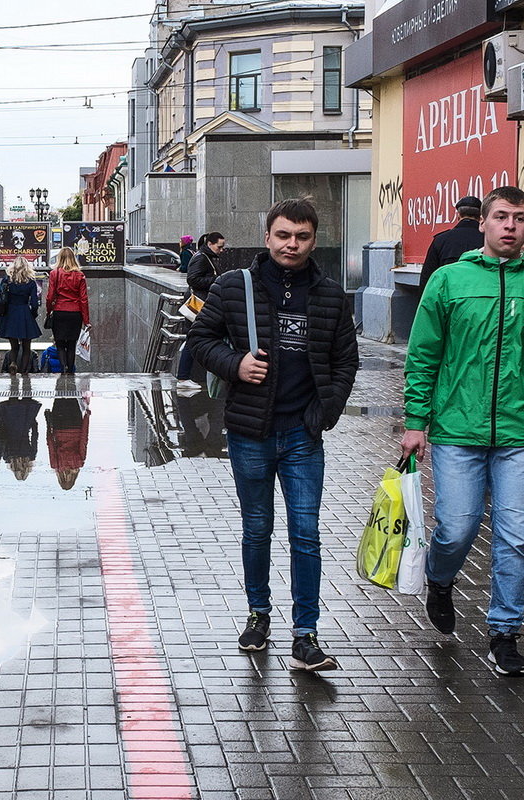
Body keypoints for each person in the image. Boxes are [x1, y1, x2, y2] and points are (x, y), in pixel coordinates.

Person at [401, 186, 524, 676]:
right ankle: (440, 579)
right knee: (458, 526)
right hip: (456, 428)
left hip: (521, 429)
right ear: (483, 223)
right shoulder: (448, 280)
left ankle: (505, 633)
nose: (511, 225)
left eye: (521, 218)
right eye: (503, 217)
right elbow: (423, 356)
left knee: (514, 536)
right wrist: (415, 422)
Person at [188, 197, 359, 672]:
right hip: (250, 431)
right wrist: (236, 364)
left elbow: (348, 361)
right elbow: (200, 340)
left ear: (314, 240)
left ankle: (306, 634)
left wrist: (326, 410)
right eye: (283, 235)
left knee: (306, 533)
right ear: (267, 237)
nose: (292, 244)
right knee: (257, 528)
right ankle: (259, 615)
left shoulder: (328, 295)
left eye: (302, 237)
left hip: (303, 434)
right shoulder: (232, 285)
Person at [178, 231, 227, 385]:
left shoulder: (206, 257)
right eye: (219, 246)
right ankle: (183, 377)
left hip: (202, 304)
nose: (222, 250)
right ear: (210, 244)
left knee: (194, 338)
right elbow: (193, 279)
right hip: (199, 305)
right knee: (193, 339)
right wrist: (217, 280)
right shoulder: (201, 258)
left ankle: (184, 377)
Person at [0, 256, 42, 374]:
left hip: (10, 313)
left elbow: (0, 297)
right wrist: (32, 316)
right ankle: (23, 372)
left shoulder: (7, 280)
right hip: (24, 313)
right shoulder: (31, 282)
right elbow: (34, 303)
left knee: (13, 345)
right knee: (26, 347)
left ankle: (13, 362)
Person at [419, 195, 484, 291]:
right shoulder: (488, 239)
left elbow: (427, 279)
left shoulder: (441, 240)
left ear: (458, 215)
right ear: (480, 216)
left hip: (448, 298)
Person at [45, 247, 90, 375]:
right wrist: (86, 321)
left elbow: (50, 296)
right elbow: (84, 299)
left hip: (59, 312)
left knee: (60, 344)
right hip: (75, 314)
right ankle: (70, 371)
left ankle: (63, 369)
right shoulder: (80, 275)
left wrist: (49, 311)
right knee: (71, 345)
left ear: (59, 258)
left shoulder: (55, 273)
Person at [45, 396, 90, 490]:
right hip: (59, 425)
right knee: (59, 394)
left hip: (75, 424)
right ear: (60, 479)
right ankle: (60, 382)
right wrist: (49, 425)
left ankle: (70, 382)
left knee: (72, 394)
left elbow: (84, 440)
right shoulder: (55, 464)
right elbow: (50, 444)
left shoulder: (79, 463)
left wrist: (86, 417)